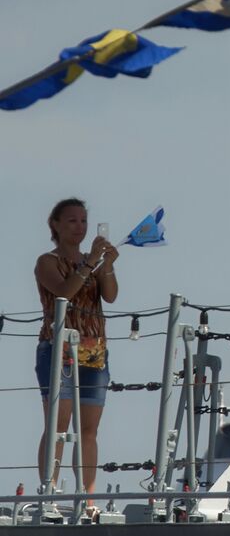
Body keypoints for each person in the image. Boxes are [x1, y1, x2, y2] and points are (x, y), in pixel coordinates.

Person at [34, 198, 119, 513]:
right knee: (58, 424)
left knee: (88, 430)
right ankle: (49, 493)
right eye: (72, 221)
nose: (80, 227)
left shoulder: (91, 262)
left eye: (84, 221)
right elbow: (63, 292)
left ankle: (87, 497)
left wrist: (106, 266)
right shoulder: (47, 261)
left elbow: (109, 296)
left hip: (94, 351)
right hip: (59, 349)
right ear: (55, 225)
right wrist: (88, 264)